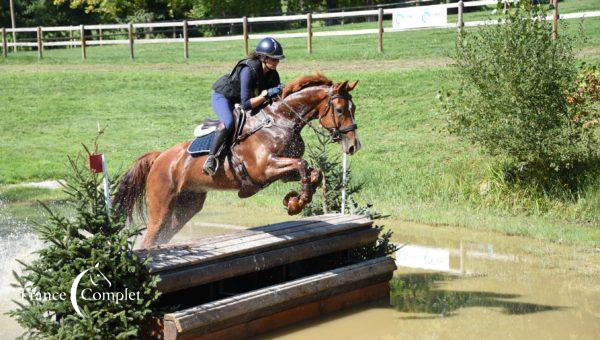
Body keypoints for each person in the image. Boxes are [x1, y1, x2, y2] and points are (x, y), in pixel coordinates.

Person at [203, 37, 285, 176]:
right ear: (264, 57)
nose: (277, 61)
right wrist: (265, 95)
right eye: (274, 58)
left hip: (242, 101)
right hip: (224, 98)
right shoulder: (248, 69)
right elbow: (246, 104)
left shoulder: (273, 74)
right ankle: (211, 158)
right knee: (228, 122)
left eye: (278, 59)